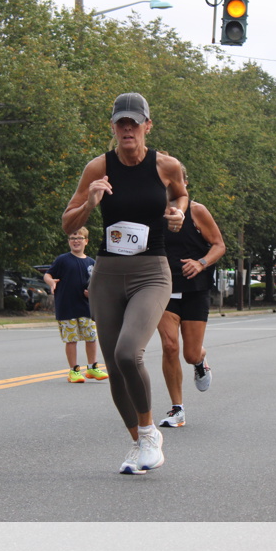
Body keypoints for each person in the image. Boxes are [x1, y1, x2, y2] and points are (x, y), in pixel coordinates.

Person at [61, 92, 187, 475]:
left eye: (134, 122)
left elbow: (181, 194)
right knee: (115, 366)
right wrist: (90, 203)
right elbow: (68, 222)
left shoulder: (166, 165)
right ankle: (138, 441)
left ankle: (149, 435)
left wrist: (178, 212)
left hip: (152, 272)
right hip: (108, 274)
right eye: (121, 123)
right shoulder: (98, 167)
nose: (128, 129)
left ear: (148, 126)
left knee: (128, 352)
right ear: (113, 127)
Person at [155, 180, 226, 428]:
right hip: (164, 289)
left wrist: (201, 263)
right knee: (169, 346)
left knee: (190, 353)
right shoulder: (151, 212)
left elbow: (219, 245)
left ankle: (200, 360)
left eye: (173, 180)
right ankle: (177, 409)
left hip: (195, 289)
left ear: (183, 183)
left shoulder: (197, 210)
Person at [43, 227, 109, 383]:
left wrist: (92, 293)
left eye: (79, 238)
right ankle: (74, 370)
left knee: (91, 337)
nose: (76, 241)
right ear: (69, 242)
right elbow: (48, 274)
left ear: (86, 241)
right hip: (67, 307)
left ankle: (92, 367)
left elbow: (98, 285)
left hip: (86, 307)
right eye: (73, 238)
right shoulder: (63, 260)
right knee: (71, 339)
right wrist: (51, 281)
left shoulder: (92, 263)